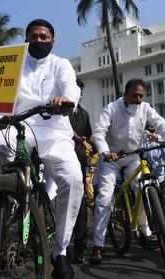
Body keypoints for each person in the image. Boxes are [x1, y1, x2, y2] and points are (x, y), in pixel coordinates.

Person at [0, 19, 83, 279]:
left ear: (52, 39)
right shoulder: (13, 65)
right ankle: (5, 189)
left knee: (74, 180)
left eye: (44, 36)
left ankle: (60, 251)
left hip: (54, 132)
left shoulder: (61, 65)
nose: (39, 40)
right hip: (21, 127)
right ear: (27, 39)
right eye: (34, 36)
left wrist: (66, 101)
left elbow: (70, 88)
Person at [90, 78, 165, 264]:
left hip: (133, 157)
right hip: (111, 159)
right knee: (105, 198)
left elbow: (161, 123)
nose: (138, 99)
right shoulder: (112, 108)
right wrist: (105, 152)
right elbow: (98, 132)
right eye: (135, 95)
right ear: (126, 94)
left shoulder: (146, 108)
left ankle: (145, 232)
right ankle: (98, 245)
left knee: (142, 188)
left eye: (141, 96)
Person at [67, 78, 93, 264]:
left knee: (81, 205)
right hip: (60, 163)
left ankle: (80, 248)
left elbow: (90, 138)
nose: (78, 93)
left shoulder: (84, 114)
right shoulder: (60, 112)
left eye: (80, 90)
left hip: (80, 164)